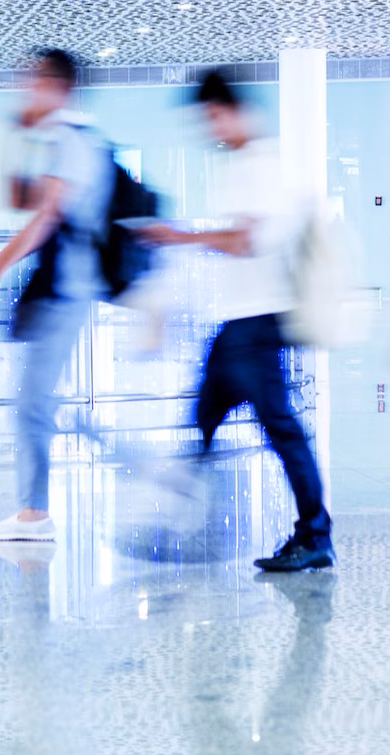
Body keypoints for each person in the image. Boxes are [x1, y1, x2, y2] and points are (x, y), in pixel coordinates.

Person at [136, 70, 333, 572]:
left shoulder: (261, 165)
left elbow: (245, 241)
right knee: (202, 418)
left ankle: (314, 534)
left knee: (280, 429)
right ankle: (176, 515)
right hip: (236, 324)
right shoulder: (245, 163)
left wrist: (178, 238)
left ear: (235, 111)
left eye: (214, 116)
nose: (211, 128)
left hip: (257, 323)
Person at [0, 48, 112, 543]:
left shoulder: (73, 143)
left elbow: (45, 216)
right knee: (36, 401)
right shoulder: (57, 143)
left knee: (32, 403)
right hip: (59, 287)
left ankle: (36, 515)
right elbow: (19, 198)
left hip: (68, 288)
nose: (25, 88)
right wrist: (20, 135)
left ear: (56, 86)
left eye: (33, 80)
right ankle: (40, 506)